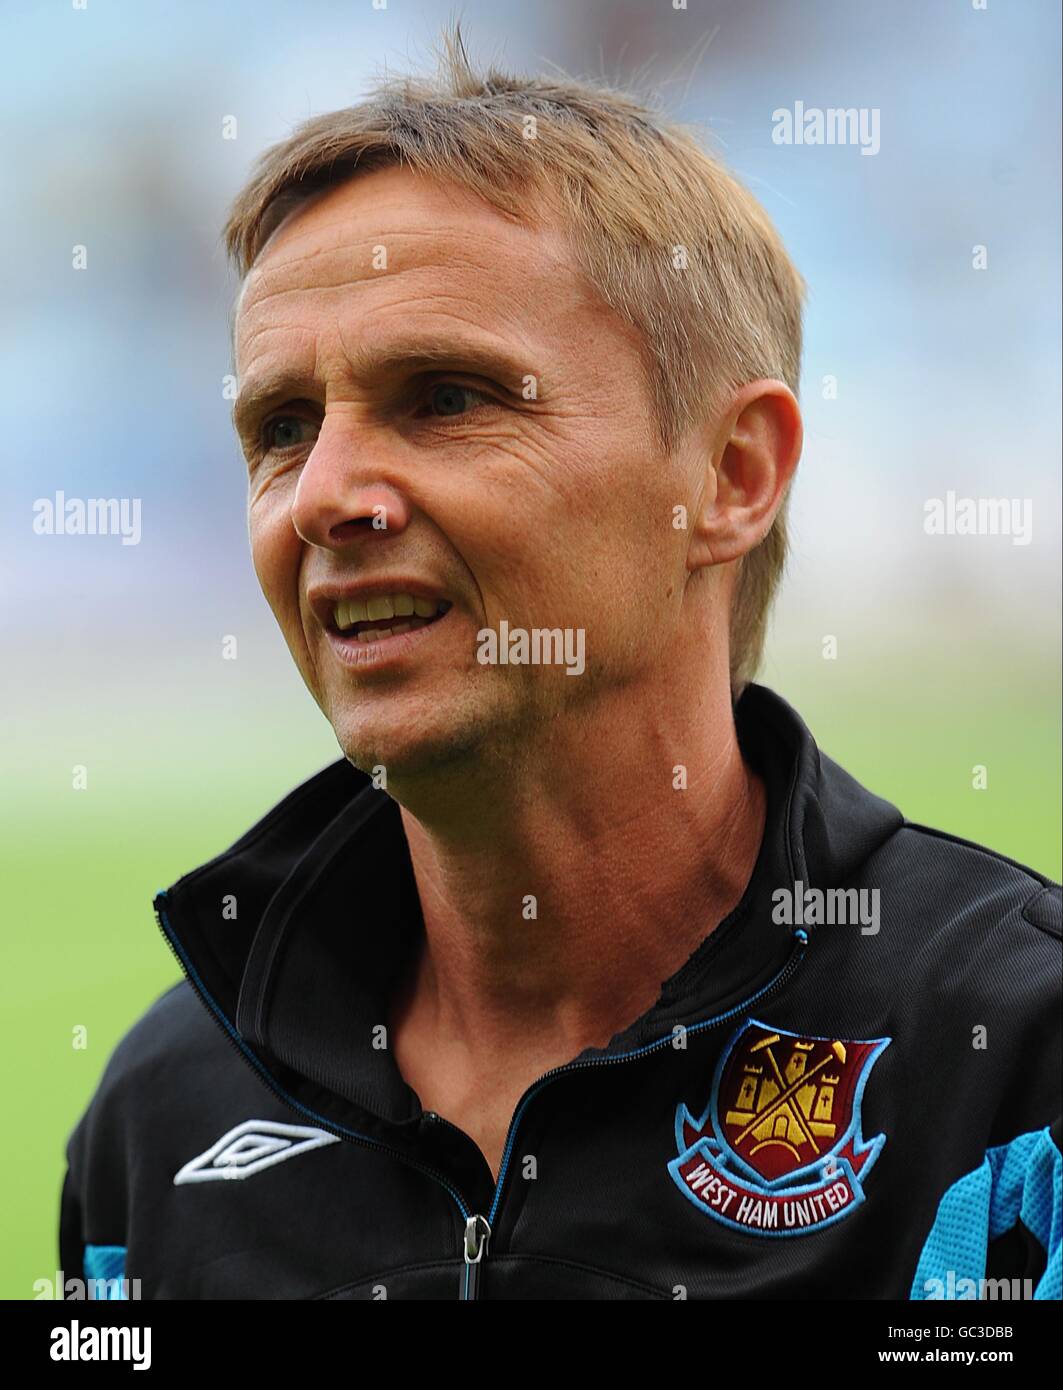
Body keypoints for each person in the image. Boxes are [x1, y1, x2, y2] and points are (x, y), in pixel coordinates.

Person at [60, 29, 1061, 1301]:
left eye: (448, 398)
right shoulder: (164, 1113)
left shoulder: (1008, 1061)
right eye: (282, 428)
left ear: (730, 474)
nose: (322, 497)